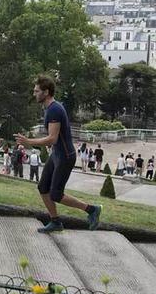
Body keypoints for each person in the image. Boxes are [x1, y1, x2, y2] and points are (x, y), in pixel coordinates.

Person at [14, 75, 102, 232]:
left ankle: (92, 209)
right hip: (57, 155)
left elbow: (52, 139)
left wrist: (28, 142)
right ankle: (55, 221)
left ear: (46, 92)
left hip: (65, 157)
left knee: (55, 194)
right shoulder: (50, 108)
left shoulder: (54, 109)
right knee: (43, 187)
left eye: (36, 91)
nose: (34, 94)